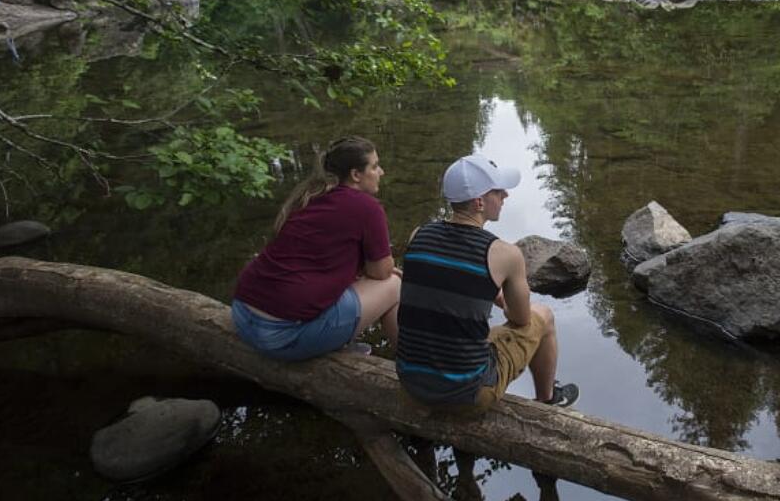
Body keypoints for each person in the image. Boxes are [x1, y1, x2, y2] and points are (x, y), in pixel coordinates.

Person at [396, 154, 579, 410]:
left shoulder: (419, 234)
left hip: (411, 383)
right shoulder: (504, 254)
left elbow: (448, 282)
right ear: (479, 202)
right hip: (467, 394)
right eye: (498, 191)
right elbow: (521, 320)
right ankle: (547, 400)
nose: (505, 195)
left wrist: (493, 293)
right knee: (544, 316)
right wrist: (505, 302)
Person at [231, 136, 400, 361]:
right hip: (279, 336)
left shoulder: (313, 196)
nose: (381, 172)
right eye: (375, 166)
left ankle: (337, 341)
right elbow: (381, 272)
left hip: (242, 315)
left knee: (352, 283)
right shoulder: (367, 207)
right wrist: (386, 270)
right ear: (356, 175)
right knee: (394, 285)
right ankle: (413, 366)